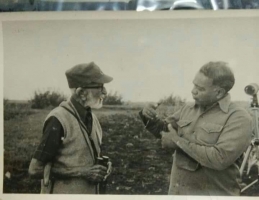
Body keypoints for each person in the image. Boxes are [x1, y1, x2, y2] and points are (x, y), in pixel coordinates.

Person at [139, 61, 252, 195]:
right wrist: (148, 116)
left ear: (219, 93)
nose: (193, 91)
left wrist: (177, 142)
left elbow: (220, 159)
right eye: (194, 85)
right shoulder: (188, 108)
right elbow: (166, 131)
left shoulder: (238, 117)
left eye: (201, 89)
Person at [28, 62, 113, 194]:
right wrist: (81, 172)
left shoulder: (93, 119)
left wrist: (102, 168)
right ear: (81, 92)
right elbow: (35, 169)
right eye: (100, 86)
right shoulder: (58, 120)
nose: (105, 92)